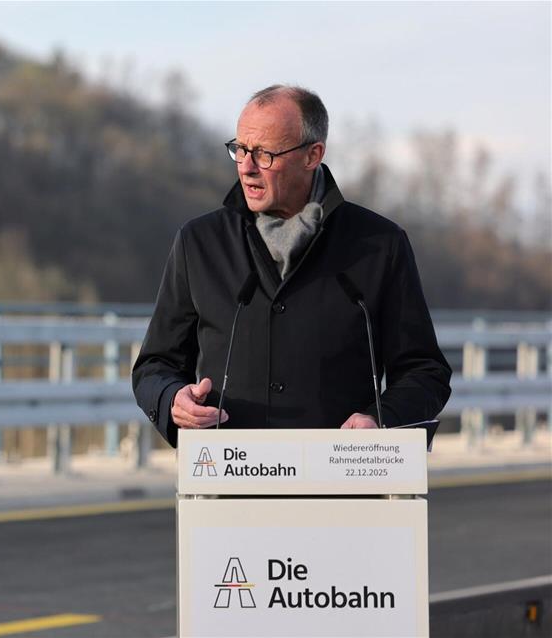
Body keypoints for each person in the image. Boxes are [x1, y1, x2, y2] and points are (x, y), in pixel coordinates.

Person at [132, 85, 452, 447]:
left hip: (343, 484)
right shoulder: (199, 243)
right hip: (226, 484)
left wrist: (381, 420)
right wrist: (174, 399)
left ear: (313, 155)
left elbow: (424, 371)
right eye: (240, 150)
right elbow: (154, 366)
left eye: (264, 154)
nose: (247, 167)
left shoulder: (380, 246)